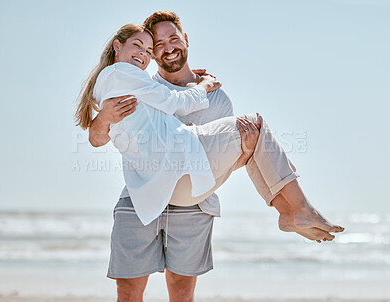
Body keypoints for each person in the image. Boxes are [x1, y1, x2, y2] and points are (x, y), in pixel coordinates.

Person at [78, 12, 344, 302]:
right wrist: (103, 117)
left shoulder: (217, 97)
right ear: (153, 55)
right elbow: (98, 138)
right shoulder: (140, 84)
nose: (166, 48)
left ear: (186, 40)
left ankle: (292, 211)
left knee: (182, 292)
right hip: (142, 195)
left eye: (173, 39)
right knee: (128, 292)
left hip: (191, 198)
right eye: (156, 45)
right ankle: (293, 210)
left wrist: (242, 151)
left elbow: (220, 160)